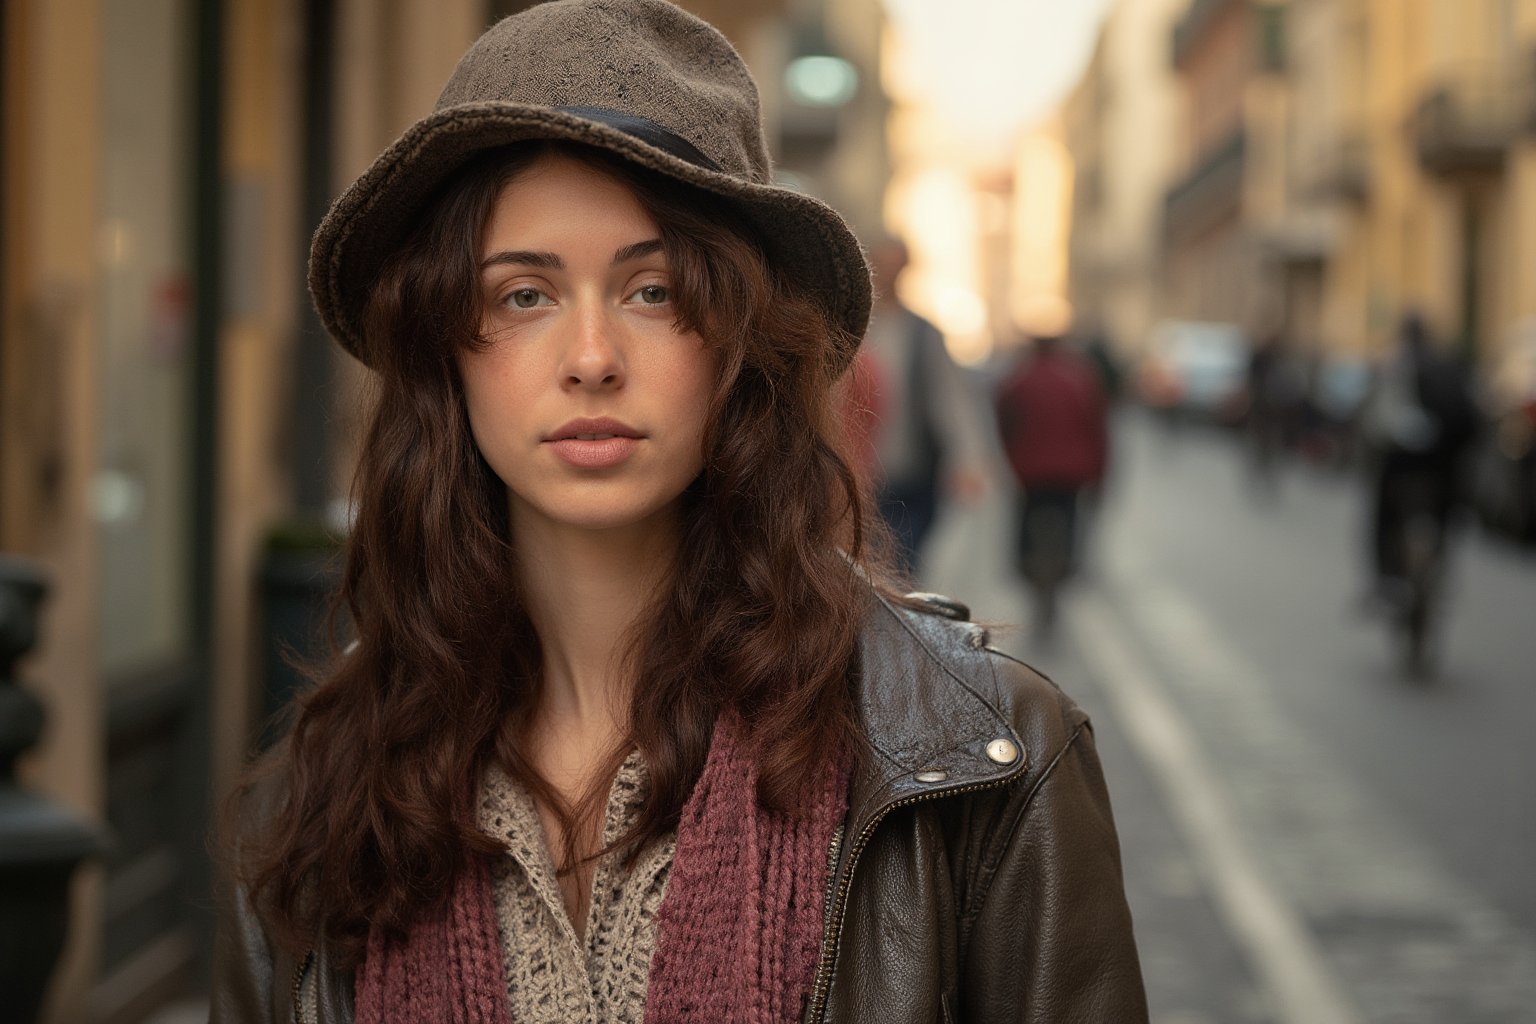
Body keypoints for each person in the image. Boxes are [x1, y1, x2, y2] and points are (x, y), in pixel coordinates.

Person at [212, 3, 1147, 1023]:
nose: (592, 357)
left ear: (740, 343)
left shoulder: (981, 763)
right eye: (523, 295)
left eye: (653, 290)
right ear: (444, 353)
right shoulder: (325, 794)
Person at [854, 237, 990, 577]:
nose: (886, 273)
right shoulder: (852, 325)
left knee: (903, 567)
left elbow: (951, 397)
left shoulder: (923, 332)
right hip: (858, 472)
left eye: (894, 265)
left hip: (911, 471)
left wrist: (968, 458)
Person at [1360, 312, 1478, 602]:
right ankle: (1432, 576)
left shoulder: (1393, 364)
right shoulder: (1449, 366)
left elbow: (1374, 423)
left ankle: (1386, 580)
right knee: (1445, 524)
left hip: (1402, 468)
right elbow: (1470, 422)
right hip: (1444, 470)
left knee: (1382, 516)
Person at [995, 332, 1110, 632]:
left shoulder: (1019, 379)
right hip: (1071, 474)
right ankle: (1064, 570)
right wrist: (1100, 476)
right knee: (1068, 525)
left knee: (1026, 524)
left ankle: (1028, 568)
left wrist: (1008, 458)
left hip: (1029, 472)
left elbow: (1003, 422)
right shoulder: (1080, 379)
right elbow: (1097, 430)